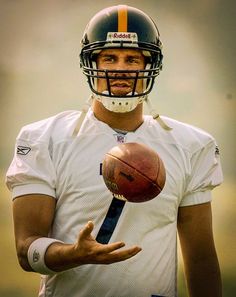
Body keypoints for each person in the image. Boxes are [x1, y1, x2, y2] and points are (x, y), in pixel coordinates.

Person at [6, 5, 223, 297]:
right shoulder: (46, 138)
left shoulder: (191, 145)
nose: (121, 68)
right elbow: (25, 249)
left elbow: (201, 259)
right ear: (90, 62)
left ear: (150, 66)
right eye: (109, 57)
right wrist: (73, 253)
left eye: (132, 58)